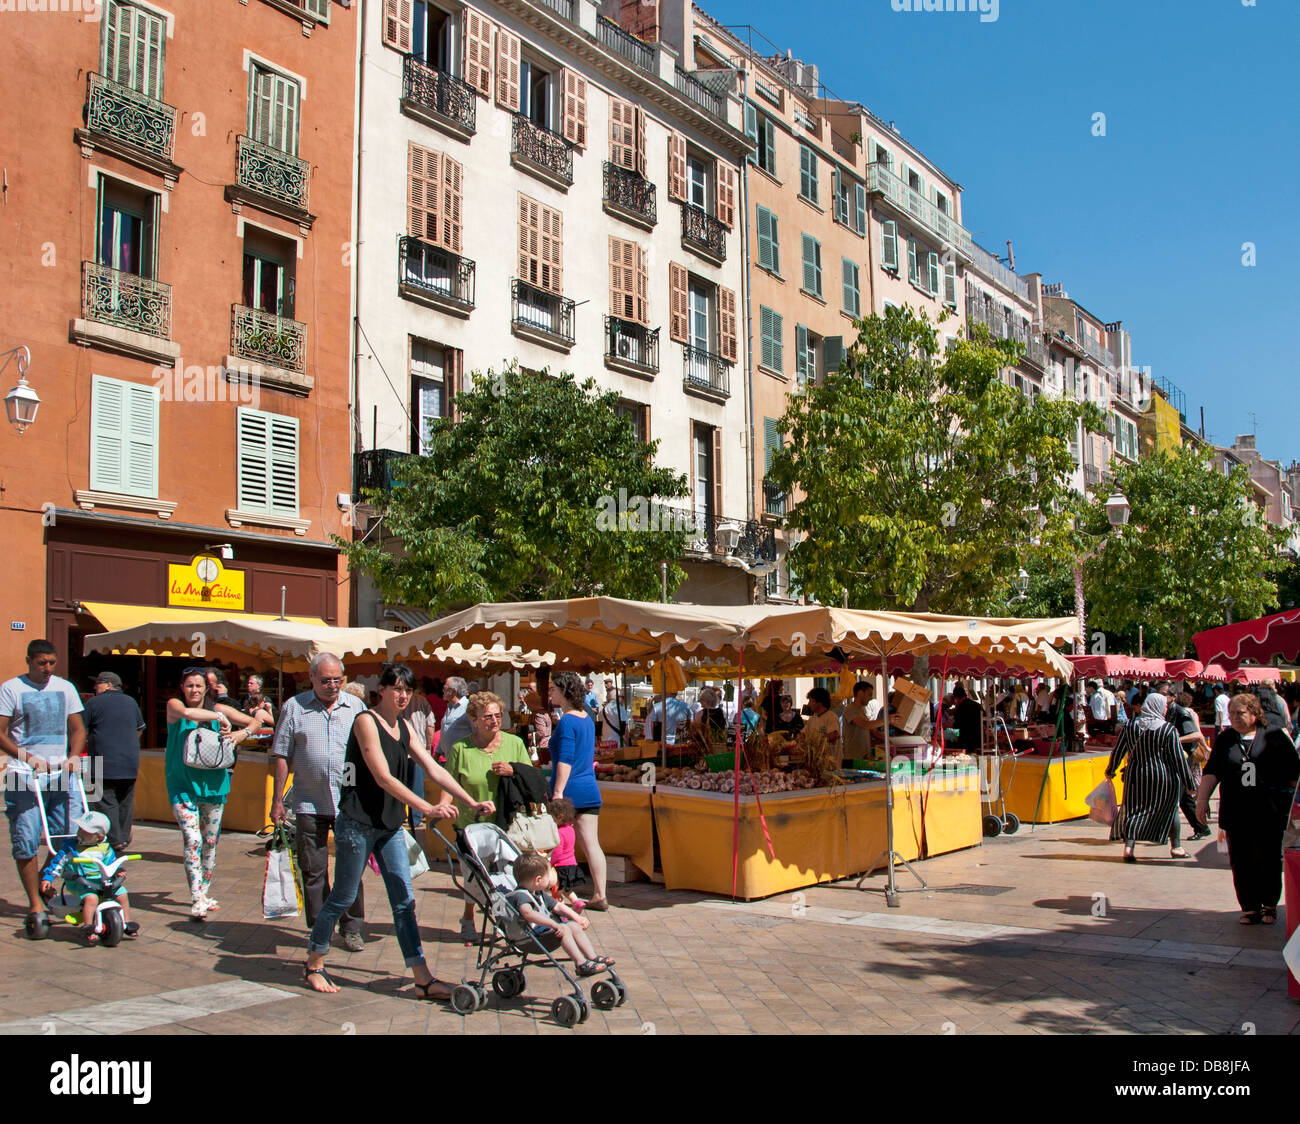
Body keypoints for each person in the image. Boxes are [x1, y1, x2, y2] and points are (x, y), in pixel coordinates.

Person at [303, 663, 494, 998]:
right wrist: (426, 808)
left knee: (404, 901)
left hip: (389, 826)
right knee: (344, 896)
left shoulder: (405, 726)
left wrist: (470, 800)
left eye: (408, 690)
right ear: (382, 690)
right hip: (357, 825)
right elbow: (382, 777)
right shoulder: (366, 722)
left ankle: (422, 979)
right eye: (397, 689)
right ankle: (314, 963)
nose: (403, 695)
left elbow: (434, 767)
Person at [271, 654, 368, 952]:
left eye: (337, 680)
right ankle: (321, 927)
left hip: (348, 802)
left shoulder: (356, 708)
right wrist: (278, 801)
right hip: (308, 803)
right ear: (311, 678)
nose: (332, 686)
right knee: (313, 869)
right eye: (325, 680)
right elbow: (282, 755)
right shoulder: (294, 708)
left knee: (350, 869)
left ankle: (352, 928)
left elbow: (368, 752)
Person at [0, 640, 87, 940]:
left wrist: (74, 755)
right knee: (25, 838)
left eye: (52, 662)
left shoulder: (65, 688)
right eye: (41, 663)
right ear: (29, 661)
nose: (47, 668)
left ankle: (42, 880)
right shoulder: (11, 689)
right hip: (23, 775)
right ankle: (35, 904)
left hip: (61, 775)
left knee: (67, 835)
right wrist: (26, 757)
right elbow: (0, 733)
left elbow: (78, 729)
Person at [166, 667, 264, 920]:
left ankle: (205, 892)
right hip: (182, 785)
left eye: (199, 686)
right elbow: (188, 713)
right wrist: (219, 717)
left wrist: (242, 733)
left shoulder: (219, 709)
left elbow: (256, 721)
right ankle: (197, 897)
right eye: (189, 685)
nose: (194, 690)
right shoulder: (175, 705)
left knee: (210, 843)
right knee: (193, 840)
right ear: (182, 687)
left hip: (214, 785)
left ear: (206, 688)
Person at [1197, 693, 1300, 925]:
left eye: (1240, 713)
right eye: (1231, 713)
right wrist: (1202, 801)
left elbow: (1293, 772)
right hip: (1236, 812)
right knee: (1241, 860)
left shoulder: (1274, 736)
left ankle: (1269, 905)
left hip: (1269, 812)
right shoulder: (1225, 739)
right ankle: (1249, 906)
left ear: (1254, 714)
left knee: (1269, 858)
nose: (1234, 717)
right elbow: (1212, 771)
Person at [440, 690, 533, 942]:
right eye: (488, 716)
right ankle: (469, 915)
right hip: (471, 826)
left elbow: (531, 777)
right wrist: (441, 806)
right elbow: (449, 783)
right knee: (474, 880)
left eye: (498, 715)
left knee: (504, 880)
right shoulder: (461, 749)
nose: (494, 720)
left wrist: (513, 769)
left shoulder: (515, 744)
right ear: (474, 719)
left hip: (507, 824)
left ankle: (500, 922)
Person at [1104, 693, 1193, 863]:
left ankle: (1129, 848)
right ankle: (1177, 847)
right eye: (1164, 706)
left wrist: (1111, 769)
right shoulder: (1168, 730)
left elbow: (1118, 751)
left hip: (1135, 776)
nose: (1166, 709)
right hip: (1163, 777)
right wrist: (1189, 783)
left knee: (1133, 810)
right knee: (1170, 809)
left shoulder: (1130, 726)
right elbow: (1178, 759)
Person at [548, 670, 609, 911]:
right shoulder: (587, 717)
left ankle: (560, 892)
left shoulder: (567, 721)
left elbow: (565, 759)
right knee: (591, 844)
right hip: (589, 788)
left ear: (564, 691)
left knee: (558, 845)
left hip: (570, 790)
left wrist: (557, 793)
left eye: (553, 688)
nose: (550, 692)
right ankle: (600, 894)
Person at [39, 810, 138, 943]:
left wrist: (118, 869)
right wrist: (48, 877)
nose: (80, 833)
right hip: (80, 882)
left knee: (122, 894)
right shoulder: (71, 847)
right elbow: (58, 863)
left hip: (100, 880)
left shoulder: (105, 848)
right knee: (91, 898)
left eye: (86, 832)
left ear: (99, 837)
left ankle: (126, 922)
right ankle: (88, 926)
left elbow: (111, 863)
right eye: (80, 829)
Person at [508, 852, 612, 976]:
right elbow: (528, 914)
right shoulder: (520, 896)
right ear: (538, 880)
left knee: (573, 925)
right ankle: (581, 963)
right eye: (548, 875)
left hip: (542, 932)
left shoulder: (538, 893)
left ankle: (592, 957)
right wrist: (554, 924)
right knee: (565, 928)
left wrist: (577, 917)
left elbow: (558, 906)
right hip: (530, 936)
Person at [82, 671, 145, 851]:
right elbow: (140, 729)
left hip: (103, 762)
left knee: (105, 799)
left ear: (108, 685)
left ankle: (115, 839)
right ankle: (123, 838)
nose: (95, 687)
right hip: (130, 762)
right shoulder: (131, 702)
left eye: (98, 683)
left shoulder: (93, 703)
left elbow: (80, 730)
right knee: (125, 801)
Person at [1169, 689, 1211, 839]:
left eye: (1165, 695)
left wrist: (1176, 740)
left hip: (1184, 758)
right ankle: (1201, 827)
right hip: (1178, 757)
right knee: (1183, 797)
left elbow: (1196, 734)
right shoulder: (1171, 712)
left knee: (1177, 795)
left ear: (1173, 697)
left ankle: (1170, 835)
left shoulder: (1182, 713)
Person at [547, 797, 584, 907]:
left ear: (559, 817)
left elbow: (557, 852)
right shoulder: (570, 829)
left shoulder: (559, 833)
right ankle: (577, 902)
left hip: (561, 866)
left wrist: (550, 863)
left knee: (557, 891)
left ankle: (561, 911)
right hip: (572, 864)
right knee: (567, 888)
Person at [803, 687, 842, 762]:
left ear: (819, 703)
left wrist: (815, 741)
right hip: (817, 762)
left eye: (811, 701)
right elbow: (803, 733)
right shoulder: (812, 719)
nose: (808, 704)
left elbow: (834, 735)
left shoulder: (831, 717)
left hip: (830, 763)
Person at [841, 681, 874, 762]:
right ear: (860, 693)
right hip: (853, 758)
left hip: (863, 757)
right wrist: (887, 720)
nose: (871, 698)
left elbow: (870, 729)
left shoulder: (862, 709)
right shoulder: (850, 709)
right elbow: (865, 725)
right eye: (869, 694)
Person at [440, 676, 473, 751]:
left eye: (445, 688)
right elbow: (445, 731)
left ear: (454, 691)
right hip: (449, 757)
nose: (442, 691)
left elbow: (476, 732)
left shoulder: (468, 707)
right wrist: (439, 751)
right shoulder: (449, 707)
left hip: (463, 757)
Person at [950, 685, 984, 753]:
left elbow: (957, 725)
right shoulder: (977, 705)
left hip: (965, 740)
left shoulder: (961, 708)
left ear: (956, 698)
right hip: (978, 738)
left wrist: (947, 729)